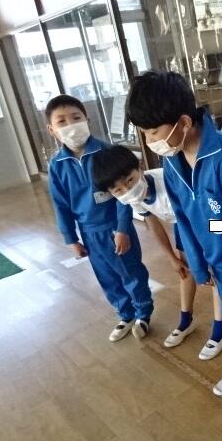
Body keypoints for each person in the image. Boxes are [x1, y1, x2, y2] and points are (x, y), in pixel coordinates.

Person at [126, 71, 222, 418]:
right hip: (217, 260)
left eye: (153, 132)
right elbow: (183, 217)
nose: (150, 141)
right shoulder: (172, 161)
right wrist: (198, 262)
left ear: (184, 123)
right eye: (144, 133)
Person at [92, 146, 222, 360]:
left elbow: (205, 221)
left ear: (140, 167)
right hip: (183, 225)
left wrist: (202, 261)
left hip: (210, 222)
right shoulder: (134, 198)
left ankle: (221, 328)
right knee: (184, 270)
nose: (128, 190)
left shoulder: (169, 182)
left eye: (130, 180)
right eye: (118, 190)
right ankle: (186, 319)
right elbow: (153, 224)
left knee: (216, 272)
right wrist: (172, 258)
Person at [46, 95, 153, 342]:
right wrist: (71, 238)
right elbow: (60, 204)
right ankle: (125, 314)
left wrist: (123, 229)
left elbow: (123, 195)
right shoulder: (57, 165)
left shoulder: (106, 152)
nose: (71, 125)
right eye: (62, 121)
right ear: (52, 130)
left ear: (87, 119)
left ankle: (143, 313)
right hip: (89, 231)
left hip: (115, 226)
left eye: (76, 118)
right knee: (106, 276)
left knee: (130, 271)